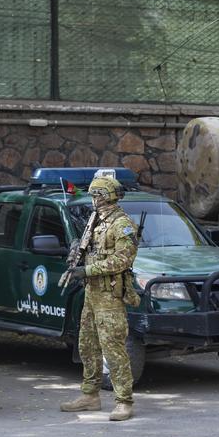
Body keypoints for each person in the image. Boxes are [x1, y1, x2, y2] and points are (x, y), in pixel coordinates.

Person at [60, 174, 139, 421]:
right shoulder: (94, 221)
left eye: (95, 195)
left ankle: (123, 401)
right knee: (87, 346)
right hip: (91, 294)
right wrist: (77, 254)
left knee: (113, 349)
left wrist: (88, 270)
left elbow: (123, 260)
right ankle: (90, 395)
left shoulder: (121, 224)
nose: (92, 199)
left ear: (104, 196)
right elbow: (90, 251)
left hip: (109, 295)